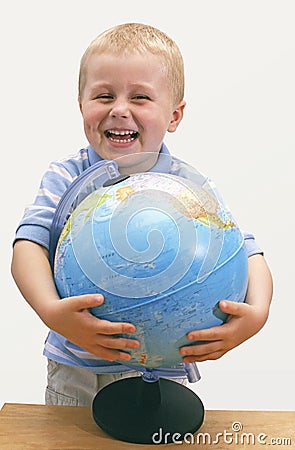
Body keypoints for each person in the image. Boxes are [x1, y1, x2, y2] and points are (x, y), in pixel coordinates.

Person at [11, 23, 273, 406]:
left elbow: (246, 253)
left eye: (140, 98)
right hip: (77, 370)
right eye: (103, 95)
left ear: (174, 115)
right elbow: (28, 244)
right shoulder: (68, 177)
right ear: (81, 105)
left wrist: (257, 314)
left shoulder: (188, 188)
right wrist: (51, 311)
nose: (119, 109)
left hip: (162, 369)